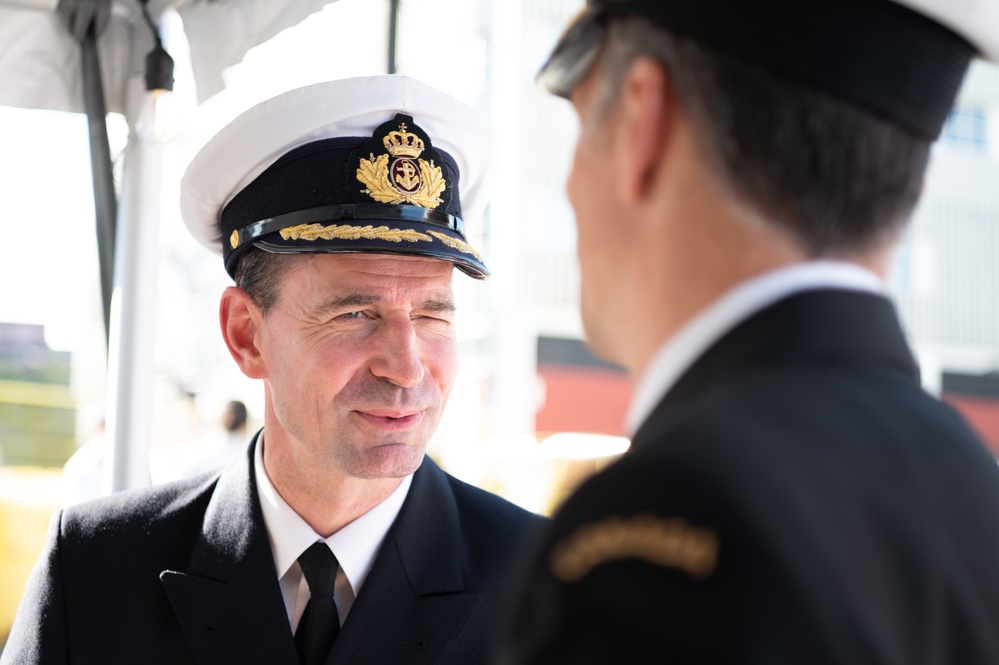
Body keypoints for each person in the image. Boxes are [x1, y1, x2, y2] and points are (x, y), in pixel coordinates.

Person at [496, 1, 999, 663]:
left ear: (640, 123)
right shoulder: (970, 487)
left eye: (582, 119)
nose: (569, 186)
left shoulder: (665, 524)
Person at [3, 75, 544, 665]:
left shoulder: (553, 590)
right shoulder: (94, 572)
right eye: (355, 313)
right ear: (246, 335)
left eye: (432, 316)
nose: (406, 366)